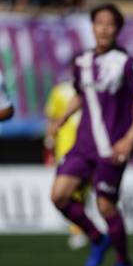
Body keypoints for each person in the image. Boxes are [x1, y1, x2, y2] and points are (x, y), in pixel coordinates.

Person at [49, 3, 133, 266]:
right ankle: (97, 238)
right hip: (82, 145)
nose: (104, 29)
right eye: (99, 23)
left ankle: (123, 263)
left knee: (106, 206)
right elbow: (80, 95)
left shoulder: (126, 63)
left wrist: (130, 138)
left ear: (117, 29)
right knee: (59, 196)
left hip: (112, 146)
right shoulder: (82, 60)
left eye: (110, 24)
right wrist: (61, 119)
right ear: (92, 27)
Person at [45, 81, 88, 250]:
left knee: (80, 191)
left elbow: (51, 117)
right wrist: (50, 142)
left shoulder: (92, 87)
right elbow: (52, 117)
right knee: (69, 192)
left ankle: (83, 228)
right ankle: (79, 229)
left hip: (84, 145)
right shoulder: (59, 90)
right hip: (66, 146)